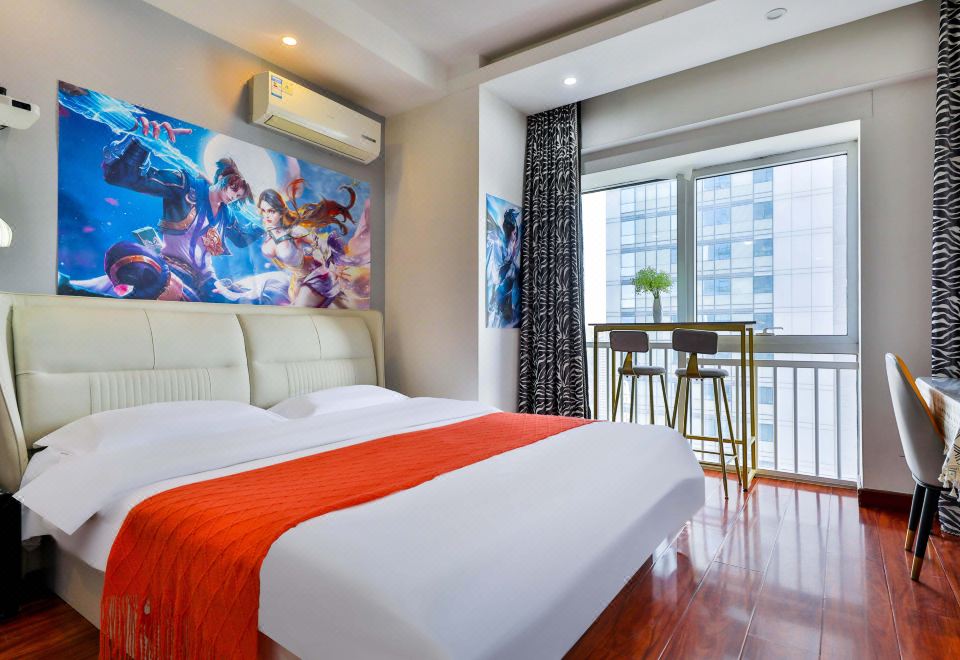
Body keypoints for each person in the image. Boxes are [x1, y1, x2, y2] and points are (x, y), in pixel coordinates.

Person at [99, 118, 264, 302]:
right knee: (123, 254)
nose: (234, 197)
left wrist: (266, 223)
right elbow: (126, 177)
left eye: (239, 196)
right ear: (222, 178)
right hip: (173, 269)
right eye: (234, 189)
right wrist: (143, 144)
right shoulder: (188, 186)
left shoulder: (226, 214)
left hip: (206, 281)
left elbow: (241, 239)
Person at [256, 181, 360, 307]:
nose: (266, 215)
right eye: (263, 211)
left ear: (281, 212)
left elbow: (321, 243)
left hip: (316, 275)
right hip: (297, 281)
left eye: (271, 211)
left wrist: (334, 267)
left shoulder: (294, 231)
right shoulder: (267, 238)